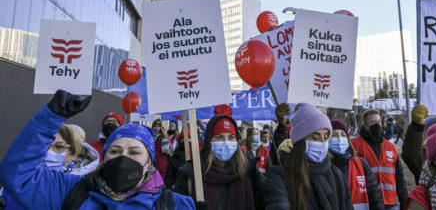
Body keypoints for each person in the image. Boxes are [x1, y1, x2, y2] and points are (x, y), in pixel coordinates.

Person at [0, 89, 194, 209]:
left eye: (134, 152)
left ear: (150, 162)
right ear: (104, 156)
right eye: (115, 151)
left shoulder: (173, 205)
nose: (123, 157)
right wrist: (49, 118)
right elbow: (18, 176)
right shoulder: (71, 190)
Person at [265, 103, 353, 210]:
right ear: (300, 141)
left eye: (326, 137)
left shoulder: (337, 174)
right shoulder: (280, 174)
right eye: (315, 138)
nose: (322, 142)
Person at [175, 113, 264, 210]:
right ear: (209, 142)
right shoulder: (192, 173)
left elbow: (271, 197)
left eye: (231, 137)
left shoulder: (249, 172)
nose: (226, 142)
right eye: (219, 137)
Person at [2, 124, 99, 209]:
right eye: (46, 146)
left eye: (59, 146)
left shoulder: (84, 185)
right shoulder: (25, 173)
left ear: (74, 154)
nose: (49, 151)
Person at [351, 109, 408, 209]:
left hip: (390, 202)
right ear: (365, 125)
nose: (376, 124)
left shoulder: (390, 146)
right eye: (372, 122)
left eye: (378, 122)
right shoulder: (355, 145)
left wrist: (404, 201)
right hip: (367, 202)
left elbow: (399, 176)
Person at [329, 119, 384, 210]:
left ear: (348, 139)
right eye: (334, 135)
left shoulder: (361, 164)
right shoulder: (323, 166)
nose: (339, 139)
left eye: (343, 135)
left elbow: (375, 197)